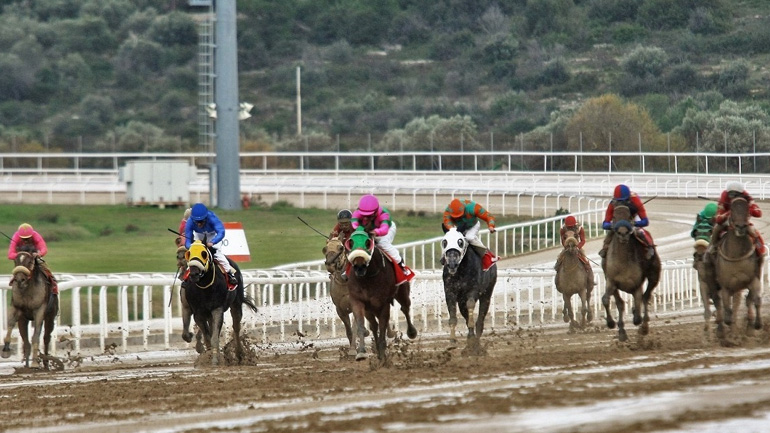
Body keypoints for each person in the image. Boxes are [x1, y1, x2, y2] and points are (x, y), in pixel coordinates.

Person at [350, 194, 413, 279]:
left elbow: (384, 229)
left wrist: (376, 232)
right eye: (364, 215)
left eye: (369, 215)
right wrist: (359, 229)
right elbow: (354, 223)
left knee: (382, 243)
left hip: (386, 229)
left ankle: (401, 264)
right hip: (367, 229)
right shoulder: (357, 213)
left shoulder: (384, 213)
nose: (366, 217)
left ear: (376, 211)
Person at [184, 203, 238, 285]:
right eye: (196, 222)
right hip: (199, 235)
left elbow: (221, 232)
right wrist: (190, 246)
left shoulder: (212, 217)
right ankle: (187, 275)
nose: (199, 224)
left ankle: (230, 274)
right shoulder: (190, 221)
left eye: (201, 221)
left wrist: (213, 242)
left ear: (205, 218)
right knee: (193, 255)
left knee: (217, 254)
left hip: (213, 235)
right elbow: (187, 239)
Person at [598, 184, 656, 260]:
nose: (621, 203)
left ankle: (649, 246)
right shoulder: (612, 203)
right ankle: (605, 249)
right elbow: (605, 224)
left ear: (629, 198)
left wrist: (634, 223)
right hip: (618, 223)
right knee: (610, 234)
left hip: (633, 219)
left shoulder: (635, 200)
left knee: (639, 231)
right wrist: (613, 225)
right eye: (619, 201)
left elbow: (645, 221)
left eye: (624, 201)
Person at [708, 181, 766, 256]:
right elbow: (718, 219)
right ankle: (712, 247)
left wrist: (746, 209)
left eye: (736, 194)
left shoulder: (747, 197)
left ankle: (760, 251)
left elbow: (758, 213)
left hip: (742, 221)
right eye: (731, 194)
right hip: (727, 221)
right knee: (716, 229)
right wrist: (730, 212)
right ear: (727, 193)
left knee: (754, 232)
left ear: (741, 194)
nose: (733, 197)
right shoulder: (724, 196)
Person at [441, 198, 498, 270]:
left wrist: (491, 226)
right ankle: (444, 256)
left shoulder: (473, 207)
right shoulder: (448, 211)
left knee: (469, 237)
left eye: (460, 215)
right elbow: (448, 224)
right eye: (456, 217)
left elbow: (488, 216)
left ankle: (486, 255)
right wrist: (454, 232)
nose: (459, 218)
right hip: (458, 227)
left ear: (464, 209)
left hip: (472, 225)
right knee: (451, 237)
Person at [7, 223, 58, 295]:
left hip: (34, 256)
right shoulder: (16, 236)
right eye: (23, 238)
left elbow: (44, 249)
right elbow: (10, 255)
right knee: (18, 270)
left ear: (32, 235)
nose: (25, 240)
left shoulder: (36, 235)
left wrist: (39, 254)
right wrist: (21, 255)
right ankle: (14, 281)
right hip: (22, 258)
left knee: (45, 269)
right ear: (19, 236)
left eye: (28, 238)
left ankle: (53, 284)